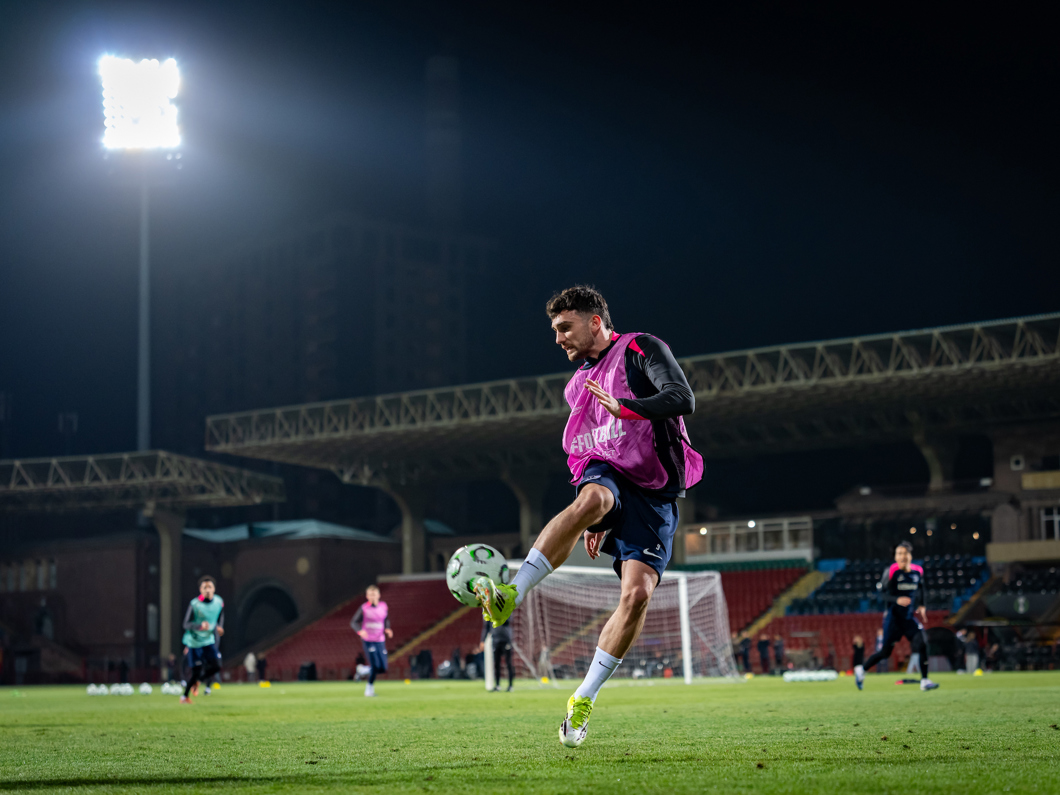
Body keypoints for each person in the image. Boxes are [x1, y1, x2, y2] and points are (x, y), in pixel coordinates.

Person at [472, 285, 702, 747]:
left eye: (565, 327)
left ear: (595, 322)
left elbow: (682, 398)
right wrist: (592, 516)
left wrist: (627, 407)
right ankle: (511, 594)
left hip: (655, 490)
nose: (558, 338)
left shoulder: (640, 348)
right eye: (555, 330)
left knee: (637, 594)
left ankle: (583, 698)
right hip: (609, 475)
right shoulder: (577, 387)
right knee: (593, 500)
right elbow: (590, 453)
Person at [854, 542, 938, 692]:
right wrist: (896, 599)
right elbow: (881, 594)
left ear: (910, 555)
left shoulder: (917, 571)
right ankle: (862, 670)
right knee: (885, 653)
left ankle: (925, 681)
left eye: (905, 553)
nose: (902, 556)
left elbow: (921, 588)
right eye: (899, 554)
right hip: (893, 619)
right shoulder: (891, 571)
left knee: (923, 642)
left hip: (908, 618)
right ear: (895, 557)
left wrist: (922, 605)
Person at [180, 575, 225, 704]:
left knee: (216, 666)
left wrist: (220, 626)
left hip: (208, 640)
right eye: (204, 587)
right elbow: (185, 624)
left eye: (209, 587)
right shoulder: (195, 604)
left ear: (214, 589)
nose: (207, 590)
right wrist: (199, 626)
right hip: (194, 642)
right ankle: (184, 697)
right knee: (196, 671)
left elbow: (220, 615)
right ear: (200, 590)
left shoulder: (219, 602)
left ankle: (198, 681)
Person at [351, 584, 392, 697]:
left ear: (378, 595)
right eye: (370, 595)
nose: (372, 597)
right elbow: (353, 622)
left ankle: (363, 670)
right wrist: (360, 631)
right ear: (367, 596)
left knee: (383, 668)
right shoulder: (364, 608)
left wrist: (387, 628)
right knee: (375, 666)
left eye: (374, 594)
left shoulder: (383, 606)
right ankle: (369, 690)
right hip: (369, 640)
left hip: (380, 640)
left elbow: (386, 619)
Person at [479, 617, 515, 692]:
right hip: (495, 640)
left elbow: (507, 620)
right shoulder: (489, 613)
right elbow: (486, 627)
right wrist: (482, 640)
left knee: (508, 663)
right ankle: (497, 685)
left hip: (506, 639)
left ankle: (510, 685)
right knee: (496, 664)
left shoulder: (505, 610)